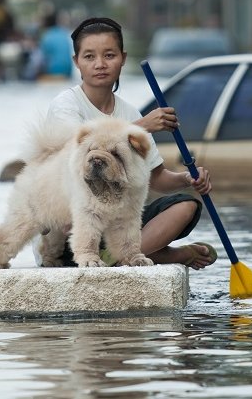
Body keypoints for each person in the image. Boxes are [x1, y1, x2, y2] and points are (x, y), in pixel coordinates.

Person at [43, 16, 217, 270]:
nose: (100, 64)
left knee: (185, 205)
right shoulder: (65, 105)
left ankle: (120, 256)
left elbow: (156, 179)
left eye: (109, 55)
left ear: (123, 59)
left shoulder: (130, 112)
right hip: (75, 227)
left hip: (117, 224)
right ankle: (164, 255)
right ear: (76, 62)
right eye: (89, 57)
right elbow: (77, 155)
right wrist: (142, 127)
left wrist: (188, 179)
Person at [37, 11, 74, 79]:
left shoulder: (47, 36)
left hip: (53, 71)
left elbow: (41, 58)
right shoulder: (64, 32)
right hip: (68, 71)